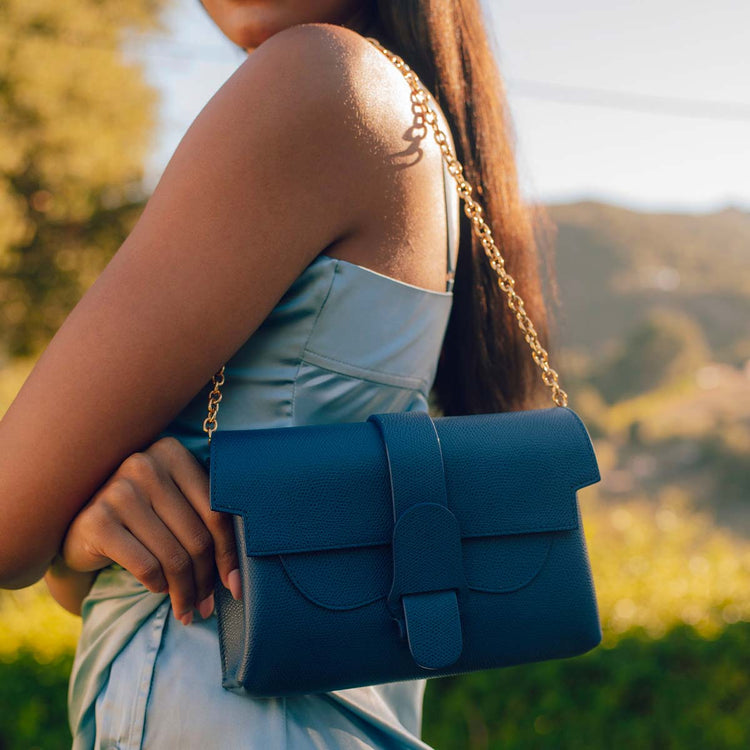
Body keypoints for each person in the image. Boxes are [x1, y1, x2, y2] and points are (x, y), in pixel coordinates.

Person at [0, 1, 556, 747]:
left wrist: (54, 536)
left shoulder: (318, 79)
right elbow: (220, 581)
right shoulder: (407, 115)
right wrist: (87, 544)